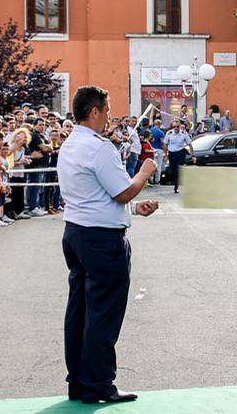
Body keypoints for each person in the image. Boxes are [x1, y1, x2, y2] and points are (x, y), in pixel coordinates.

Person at [59, 85, 159, 404]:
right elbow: (123, 192)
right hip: (101, 239)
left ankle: (79, 380)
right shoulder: (99, 147)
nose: (109, 117)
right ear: (94, 112)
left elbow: (98, 194)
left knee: (80, 309)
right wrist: (144, 171)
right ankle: (100, 384)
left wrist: (131, 210)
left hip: (76, 232)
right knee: (103, 313)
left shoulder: (71, 143)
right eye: (107, 110)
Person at [162, 120, 194, 194]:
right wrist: (166, 155)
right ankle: (175, 182)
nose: (176, 128)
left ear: (180, 126)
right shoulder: (169, 133)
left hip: (180, 153)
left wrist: (193, 155)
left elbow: (190, 144)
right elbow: (165, 145)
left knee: (178, 169)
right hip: (172, 154)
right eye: (174, 127)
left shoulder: (183, 133)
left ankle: (176, 187)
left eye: (177, 126)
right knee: (173, 171)